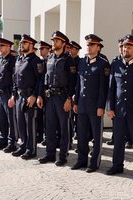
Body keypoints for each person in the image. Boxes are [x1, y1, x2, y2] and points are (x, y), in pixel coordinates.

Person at [106, 34, 133, 180]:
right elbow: (111, 88)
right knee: (118, 139)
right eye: (125, 47)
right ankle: (117, 165)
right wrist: (110, 107)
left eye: (129, 47)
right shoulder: (115, 64)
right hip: (118, 110)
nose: (126, 49)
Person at [37, 31, 77, 166]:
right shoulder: (49, 58)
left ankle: (63, 155)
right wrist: (40, 96)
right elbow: (43, 79)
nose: (53, 43)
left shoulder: (69, 60)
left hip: (62, 97)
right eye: (53, 40)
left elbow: (73, 82)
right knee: (49, 127)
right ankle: (50, 154)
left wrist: (69, 99)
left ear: (63, 43)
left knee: (63, 128)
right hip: (49, 97)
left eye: (56, 41)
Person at [71, 34, 110, 173]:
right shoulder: (81, 62)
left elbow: (103, 88)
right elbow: (78, 84)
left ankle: (94, 162)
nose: (89, 47)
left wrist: (101, 106)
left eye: (92, 44)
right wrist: (76, 102)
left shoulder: (103, 64)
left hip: (95, 106)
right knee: (81, 134)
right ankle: (81, 160)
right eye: (87, 44)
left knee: (96, 135)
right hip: (82, 104)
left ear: (98, 47)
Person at [8, 34, 43, 160]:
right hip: (19, 96)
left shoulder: (36, 61)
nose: (22, 45)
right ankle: (23, 146)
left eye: (25, 43)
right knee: (20, 123)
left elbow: (40, 80)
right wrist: (13, 95)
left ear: (31, 45)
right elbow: (15, 80)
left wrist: (34, 95)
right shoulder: (19, 59)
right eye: (21, 43)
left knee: (30, 125)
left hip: (29, 97)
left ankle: (31, 149)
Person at [0, 38, 18, 153]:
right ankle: (3, 140)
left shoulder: (13, 61)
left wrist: (13, 95)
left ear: (8, 47)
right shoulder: (0, 59)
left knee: (11, 119)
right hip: (0, 93)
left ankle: (12, 142)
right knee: (1, 118)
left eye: (2, 46)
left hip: (8, 93)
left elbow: (15, 80)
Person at [36, 40, 52, 144]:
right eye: (39, 49)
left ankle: (49, 137)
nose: (40, 50)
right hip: (41, 93)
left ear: (48, 50)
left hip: (49, 93)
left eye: (42, 48)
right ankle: (40, 135)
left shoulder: (50, 61)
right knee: (40, 116)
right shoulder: (41, 62)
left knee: (49, 118)